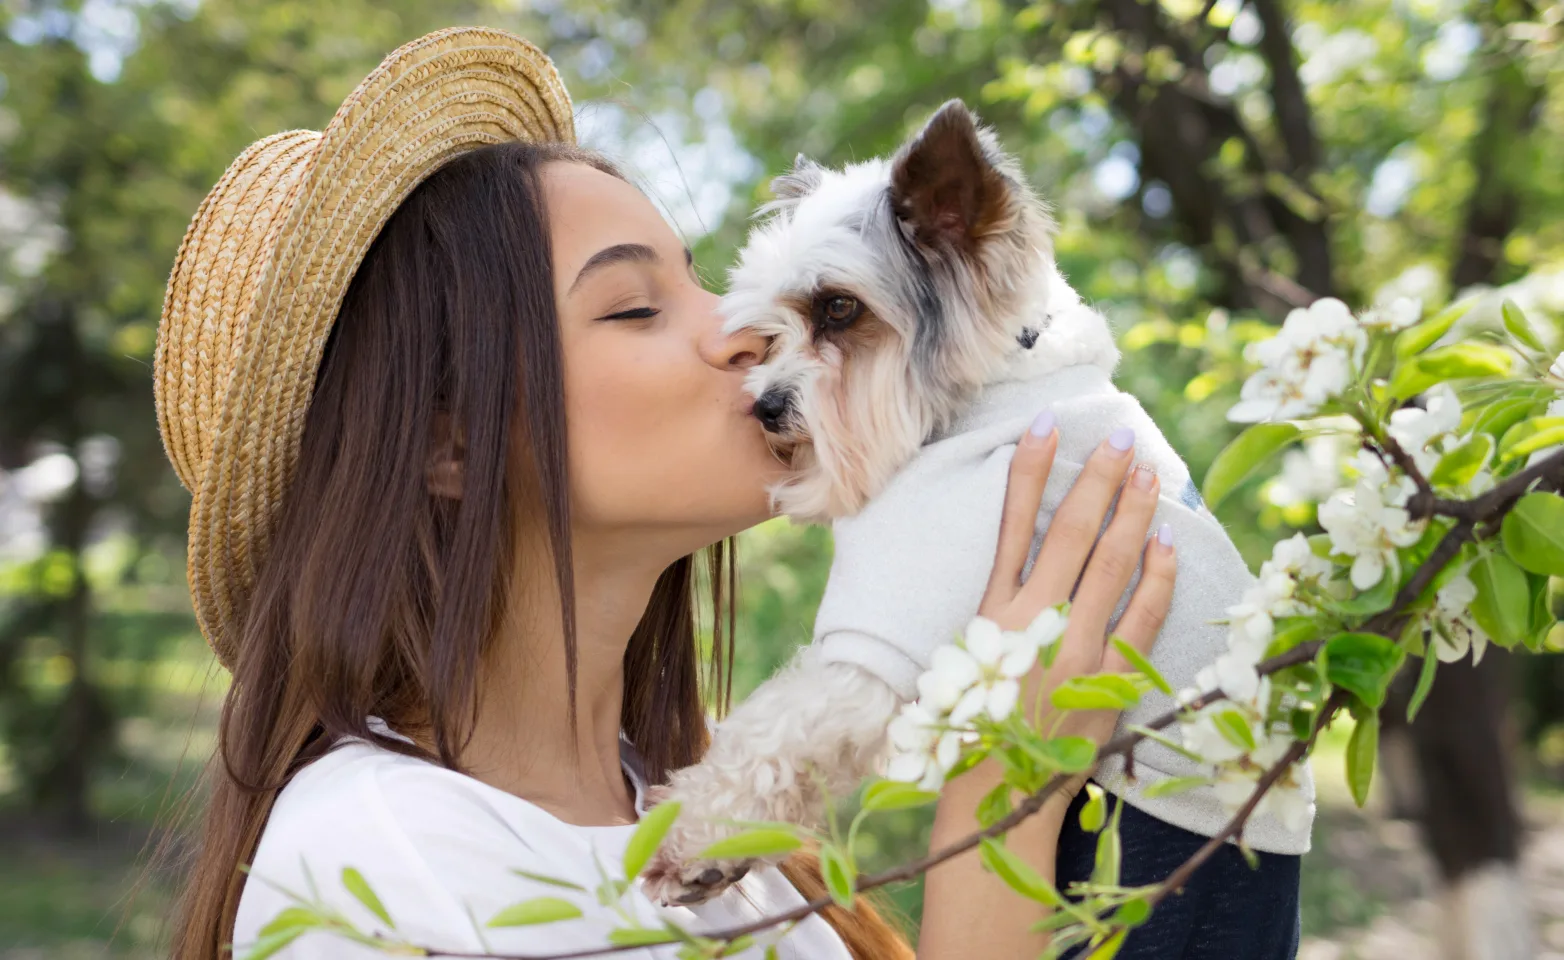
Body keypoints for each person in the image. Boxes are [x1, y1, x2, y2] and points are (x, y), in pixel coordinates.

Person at [150, 27, 1176, 960]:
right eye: (635, 306)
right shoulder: (378, 864)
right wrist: (1006, 790)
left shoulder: (736, 848)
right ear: (448, 444)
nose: (741, 330)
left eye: (699, 281)